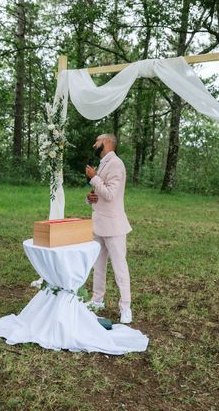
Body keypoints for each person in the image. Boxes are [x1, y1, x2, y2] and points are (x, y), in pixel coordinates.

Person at [85, 134, 133, 324]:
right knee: (98, 266)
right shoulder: (104, 163)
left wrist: (94, 177)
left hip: (114, 226)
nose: (93, 144)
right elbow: (101, 193)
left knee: (120, 267)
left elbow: (112, 195)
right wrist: (90, 197)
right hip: (98, 224)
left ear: (106, 142)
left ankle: (126, 307)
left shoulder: (116, 164)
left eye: (96, 141)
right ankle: (97, 300)